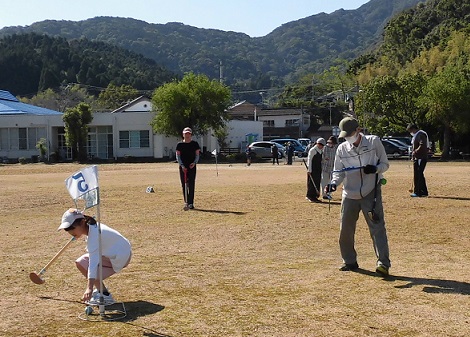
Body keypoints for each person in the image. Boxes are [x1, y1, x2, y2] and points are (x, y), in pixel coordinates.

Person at [325, 117, 391, 277]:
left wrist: (374, 169)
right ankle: (349, 261)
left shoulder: (374, 142)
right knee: (345, 230)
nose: (348, 138)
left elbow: (385, 164)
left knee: (377, 228)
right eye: (345, 135)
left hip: (371, 192)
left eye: (350, 134)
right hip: (349, 194)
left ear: (358, 130)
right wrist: (333, 184)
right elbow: (338, 172)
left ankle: (383, 263)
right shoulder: (341, 149)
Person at [58, 208, 132, 305]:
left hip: (121, 256)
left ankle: (104, 295)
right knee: (81, 262)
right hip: (114, 254)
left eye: (71, 228)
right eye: (67, 229)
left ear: (82, 222)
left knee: (89, 267)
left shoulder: (94, 235)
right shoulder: (92, 228)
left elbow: (93, 262)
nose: (69, 231)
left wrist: (89, 288)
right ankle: (103, 292)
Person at [176, 127, 201, 209]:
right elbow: (178, 156)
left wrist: (194, 163)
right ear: (183, 134)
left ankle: (191, 203)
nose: (187, 135)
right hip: (183, 167)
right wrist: (182, 165)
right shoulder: (179, 145)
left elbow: (197, 155)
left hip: (192, 166)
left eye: (189, 133)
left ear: (191, 134)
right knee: (184, 184)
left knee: (191, 184)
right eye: (186, 133)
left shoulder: (195, 144)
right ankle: (186, 202)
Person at [406, 123, 429, 197]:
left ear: (413, 129)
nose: (410, 133)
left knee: (418, 175)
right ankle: (423, 191)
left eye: (410, 131)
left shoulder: (420, 134)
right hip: (418, 157)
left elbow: (422, 145)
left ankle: (418, 192)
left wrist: (415, 151)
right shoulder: (418, 135)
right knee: (420, 174)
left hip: (420, 158)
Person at [306, 138, 326, 203]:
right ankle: (310, 196)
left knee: (317, 182)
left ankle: (315, 195)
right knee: (311, 182)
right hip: (312, 169)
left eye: (322, 145)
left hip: (318, 169)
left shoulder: (321, 151)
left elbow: (321, 159)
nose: (321, 146)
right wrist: (309, 170)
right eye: (320, 145)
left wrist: (325, 159)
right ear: (317, 144)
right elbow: (309, 160)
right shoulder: (313, 150)